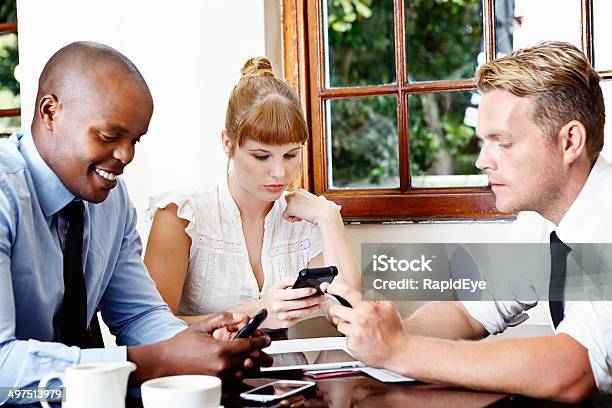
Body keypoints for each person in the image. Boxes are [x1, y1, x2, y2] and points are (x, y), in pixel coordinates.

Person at [325, 41, 611, 402]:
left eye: (501, 142)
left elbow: (573, 370)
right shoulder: (541, 220)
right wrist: (387, 335)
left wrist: (400, 350)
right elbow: (468, 311)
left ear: (570, 141)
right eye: (483, 142)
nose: (481, 161)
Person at [0, 41, 271, 405]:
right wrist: (154, 361)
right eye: (109, 136)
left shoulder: (112, 201)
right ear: (50, 112)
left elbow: (139, 315)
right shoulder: (5, 194)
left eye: (135, 140)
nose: (125, 156)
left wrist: (197, 348)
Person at [144, 57, 359, 331]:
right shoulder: (182, 215)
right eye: (261, 156)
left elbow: (349, 314)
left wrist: (329, 218)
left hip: (284, 369)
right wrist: (256, 312)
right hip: (203, 371)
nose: (280, 172)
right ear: (227, 144)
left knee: (346, 351)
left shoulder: (305, 220)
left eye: (291, 154)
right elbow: (152, 331)